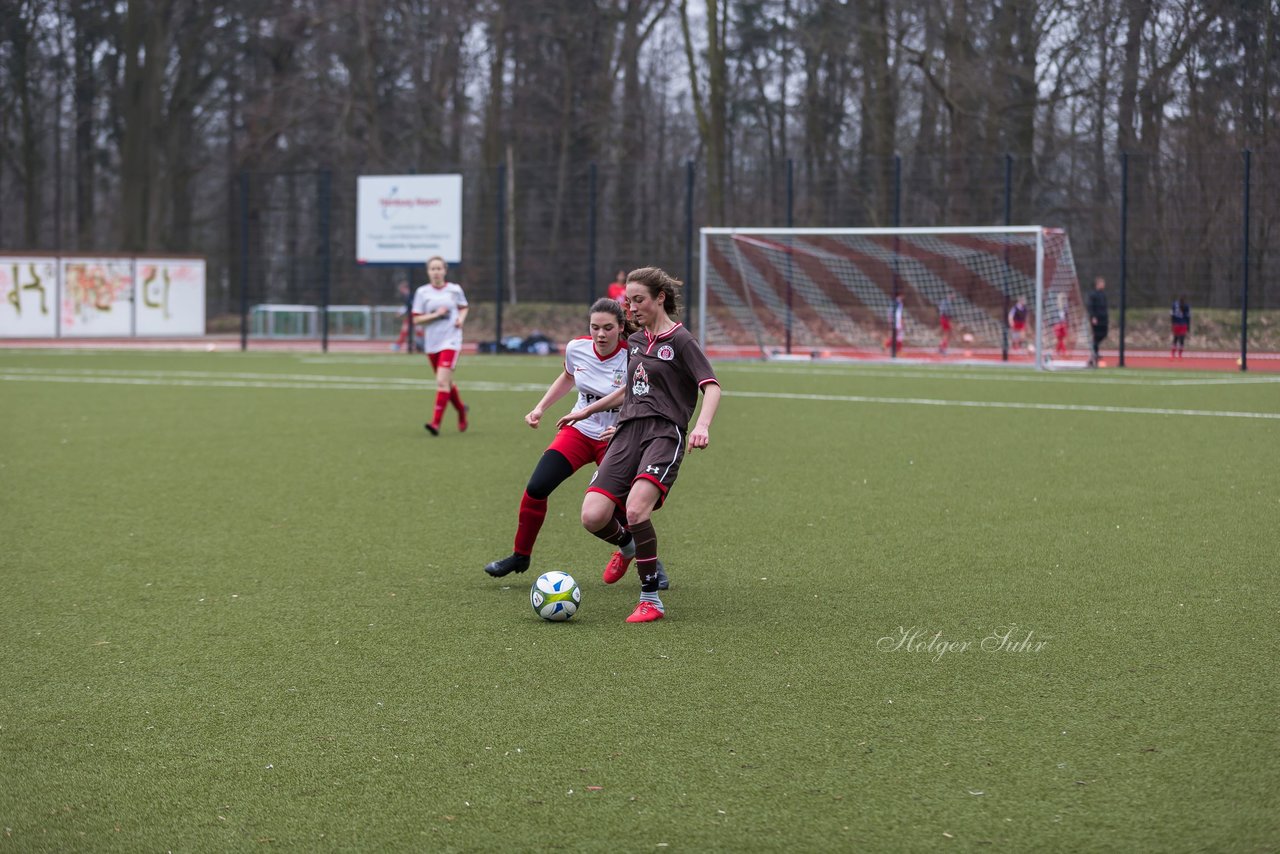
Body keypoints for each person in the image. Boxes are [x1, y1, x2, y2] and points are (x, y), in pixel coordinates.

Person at [558, 267, 721, 623]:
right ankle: (629, 546)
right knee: (593, 515)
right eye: (628, 301)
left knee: (635, 511)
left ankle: (651, 599)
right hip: (627, 431)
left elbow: (711, 385)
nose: (631, 308)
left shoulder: (681, 341)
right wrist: (586, 411)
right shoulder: (634, 341)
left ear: (659, 298)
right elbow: (629, 390)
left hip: (664, 433)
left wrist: (703, 426)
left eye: (638, 300)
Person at [484, 298, 667, 590]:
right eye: (595, 327)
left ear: (621, 327)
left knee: (623, 506)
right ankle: (521, 556)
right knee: (536, 488)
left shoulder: (633, 354)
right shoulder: (576, 348)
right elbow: (568, 377)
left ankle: (649, 561)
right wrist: (541, 407)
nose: (601, 334)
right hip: (580, 431)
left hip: (616, 436)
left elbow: (639, 394)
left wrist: (621, 426)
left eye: (608, 328)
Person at [412, 256, 469, 434]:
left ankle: (435, 423)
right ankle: (461, 409)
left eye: (439, 268)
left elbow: (464, 307)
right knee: (447, 382)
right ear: (428, 272)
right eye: (432, 269)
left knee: (441, 382)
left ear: (445, 270)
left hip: (451, 340)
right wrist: (436, 314)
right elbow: (417, 319)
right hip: (432, 343)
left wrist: (460, 319)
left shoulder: (454, 289)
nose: (436, 272)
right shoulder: (422, 292)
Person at [1087, 276, 1108, 367]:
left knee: (1103, 334)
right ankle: (1094, 354)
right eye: (1101, 283)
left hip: (1103, 318)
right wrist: (1093, 317)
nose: (1103, 285)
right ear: (1097, 284)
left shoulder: (1103, 294)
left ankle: (1094, 352)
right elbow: (1090, 306)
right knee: (1096, 335)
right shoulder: (1093, 295)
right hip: (1096, 319)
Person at [392, 280, 413, 351]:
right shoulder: (407, 296)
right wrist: (401, 312)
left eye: (402, 289)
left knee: (405, 331)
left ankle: (398, 345)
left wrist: (401, 312)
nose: (401, 291)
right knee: (405, 331)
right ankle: (398, 345)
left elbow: (410, 306)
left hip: (415, 316)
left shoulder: (412, 295)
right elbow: (407, 306)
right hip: (411, 316)